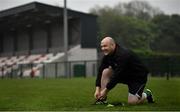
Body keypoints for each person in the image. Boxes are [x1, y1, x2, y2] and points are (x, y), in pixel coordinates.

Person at [94, 37, 154, 105]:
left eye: (105, 46)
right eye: (102, 46)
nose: (103, 48)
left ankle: (147, 94)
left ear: (113, 45)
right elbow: (100, 71)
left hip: (137, 77)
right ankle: (102, 99)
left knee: (132, 102)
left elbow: (116, 76)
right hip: (124, 75)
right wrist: (97, 89)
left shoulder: (123, 55)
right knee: (105, 72)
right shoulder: (107, 55)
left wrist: (105, 91)